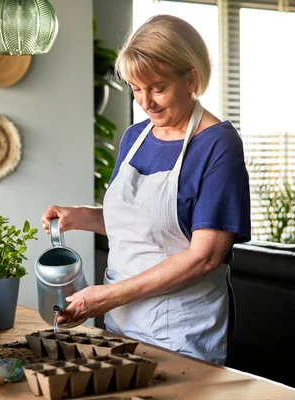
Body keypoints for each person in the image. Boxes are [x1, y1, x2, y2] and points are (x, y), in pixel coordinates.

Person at [41, 14, 251, 365]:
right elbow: (143, 227)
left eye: (157, 87)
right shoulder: (134, 138)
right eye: (136, 89)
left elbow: (205, 256)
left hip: (181, 331)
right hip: (121, 324)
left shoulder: (219, 145)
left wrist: (108, 296)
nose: (145, 102)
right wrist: (83, 217)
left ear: (191, 79)